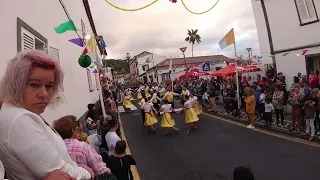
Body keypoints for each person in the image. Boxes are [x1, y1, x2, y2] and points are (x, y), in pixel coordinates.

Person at [0, 50, 93, 180]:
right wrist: (87, 173)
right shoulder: (19, 119)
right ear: (16, 84)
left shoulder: (18, 113)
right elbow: (60, 172)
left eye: (49, 86)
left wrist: (76, 166)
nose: (44, 94)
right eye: (34, 85)